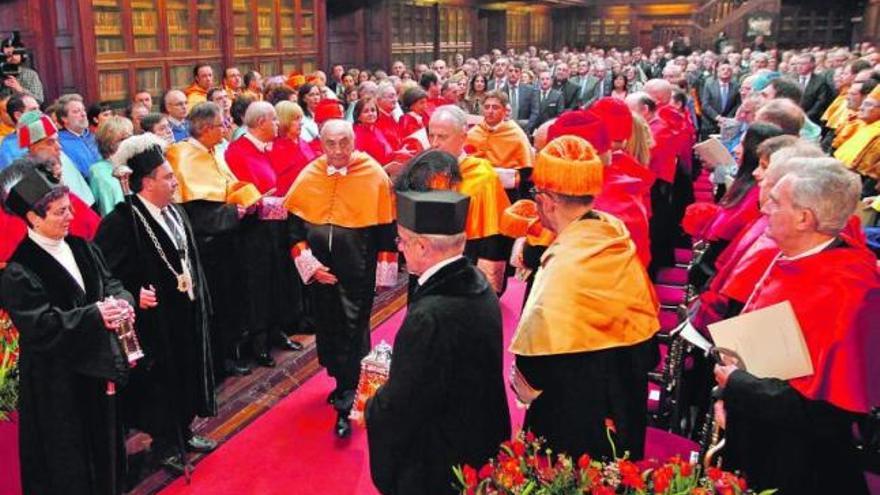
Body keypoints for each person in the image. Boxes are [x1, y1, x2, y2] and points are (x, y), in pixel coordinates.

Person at [714, 162, 879, 495]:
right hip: (758, 434)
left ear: (805, 218)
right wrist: (727, 393)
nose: (764, 208)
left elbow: (826, 410)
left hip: (798, 465)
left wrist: (736, 385)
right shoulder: (801, 257)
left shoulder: (849, 291)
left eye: (776, 202)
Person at [509, 135, 660, 461]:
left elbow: (536, 355)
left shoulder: (567, 260)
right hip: (624, 391)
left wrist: (525, 384)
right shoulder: (612, 231)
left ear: (548, 200)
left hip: (578, 409)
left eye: (536, 196)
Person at [1, 160, 135, 494]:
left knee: (106, 451)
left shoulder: (81, 247)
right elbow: (40, 325)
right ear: (33, 217)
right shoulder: (19, 269)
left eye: (68, 209)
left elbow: (111, 283)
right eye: (60, 212)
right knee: (69, 462)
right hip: (56, 382)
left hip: (98, 367)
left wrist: (123, 302)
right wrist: (95, 315)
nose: (70, 217)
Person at [367, 189, 511, 495]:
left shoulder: (429, 317)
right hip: (479, 437)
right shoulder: (479, 283)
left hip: (441, 460)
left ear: (421, 246)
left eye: (402, 241)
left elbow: (403, 405)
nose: (400, 249)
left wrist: (371, 405)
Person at [95, 133, 218, 475]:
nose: (175, 182)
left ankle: (184, 430)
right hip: (154, 323)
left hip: (187, 310)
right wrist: (133, 293)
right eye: (167, 177)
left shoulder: (174, 212)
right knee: (162, 383)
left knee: (188, 373)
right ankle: (165, 442)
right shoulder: (123, 220)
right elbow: (104, 273)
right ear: (147, 183)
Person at [283, 119, 397, 438]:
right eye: (330, 143)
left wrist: (385, 273)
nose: (337, 150)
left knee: (352, 330)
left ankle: (348, 400)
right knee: (328, 329)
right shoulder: (310, 174)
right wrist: (310, 267)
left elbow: (386, 231)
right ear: (321, 144)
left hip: (357, 271)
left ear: (353, 141)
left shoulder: (372, 173)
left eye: (343, 142)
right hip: (320, 273)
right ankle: (341, 380)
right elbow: (293, 231)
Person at [166, 102, 266, 378]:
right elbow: (195, 211)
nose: (227, 128)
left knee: (234, 298)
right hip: (207, 245)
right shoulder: (183, 156)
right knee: (217, 304)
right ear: (207, 128)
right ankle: (220, 360)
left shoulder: (213, 151)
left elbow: (224, 186)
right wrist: (234, 212)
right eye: (223, 124)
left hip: (229, 239)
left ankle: (234, 348)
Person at [225, 101, 304, 367]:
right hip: (253, 230)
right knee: (258, 284)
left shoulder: (265, 148)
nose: (277, 125)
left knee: (277, 279)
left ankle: (276, 330)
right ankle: (259, 341)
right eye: (273, 120)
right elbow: (240, 190)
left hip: (276, 223)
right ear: (260, 123)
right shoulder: (237, 151)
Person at [465, 90, 534, 200]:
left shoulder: (515, 134)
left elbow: (526, 169)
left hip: (506, 193)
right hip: (477, 191)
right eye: (487, 107)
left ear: (504, 110)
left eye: (495, 107)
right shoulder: (474, 133)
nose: (490, 111)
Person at [269, 100, 318, 194]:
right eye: (296, 119)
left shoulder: (302, 141)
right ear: (284, 121)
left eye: (300, 119)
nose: (301, 123)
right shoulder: (275, 147)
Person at [89, 116, 132, 216]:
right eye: (123, 139)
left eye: (131, 137)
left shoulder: (132, 162)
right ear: (108, 142)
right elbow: (108, 211)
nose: (130, 142)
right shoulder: (99, 171)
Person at [56, 94, 102, 181]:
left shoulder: (93, 136)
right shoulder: (60, 144)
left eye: (83, 110)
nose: (83, 114)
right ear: (64, 118)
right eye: (76, 111)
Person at [353, 97, 394, 165]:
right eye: (366, 111)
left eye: (373, 110)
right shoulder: (357, 134)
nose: (370, 114)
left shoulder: (377, 129)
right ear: (358, 116)